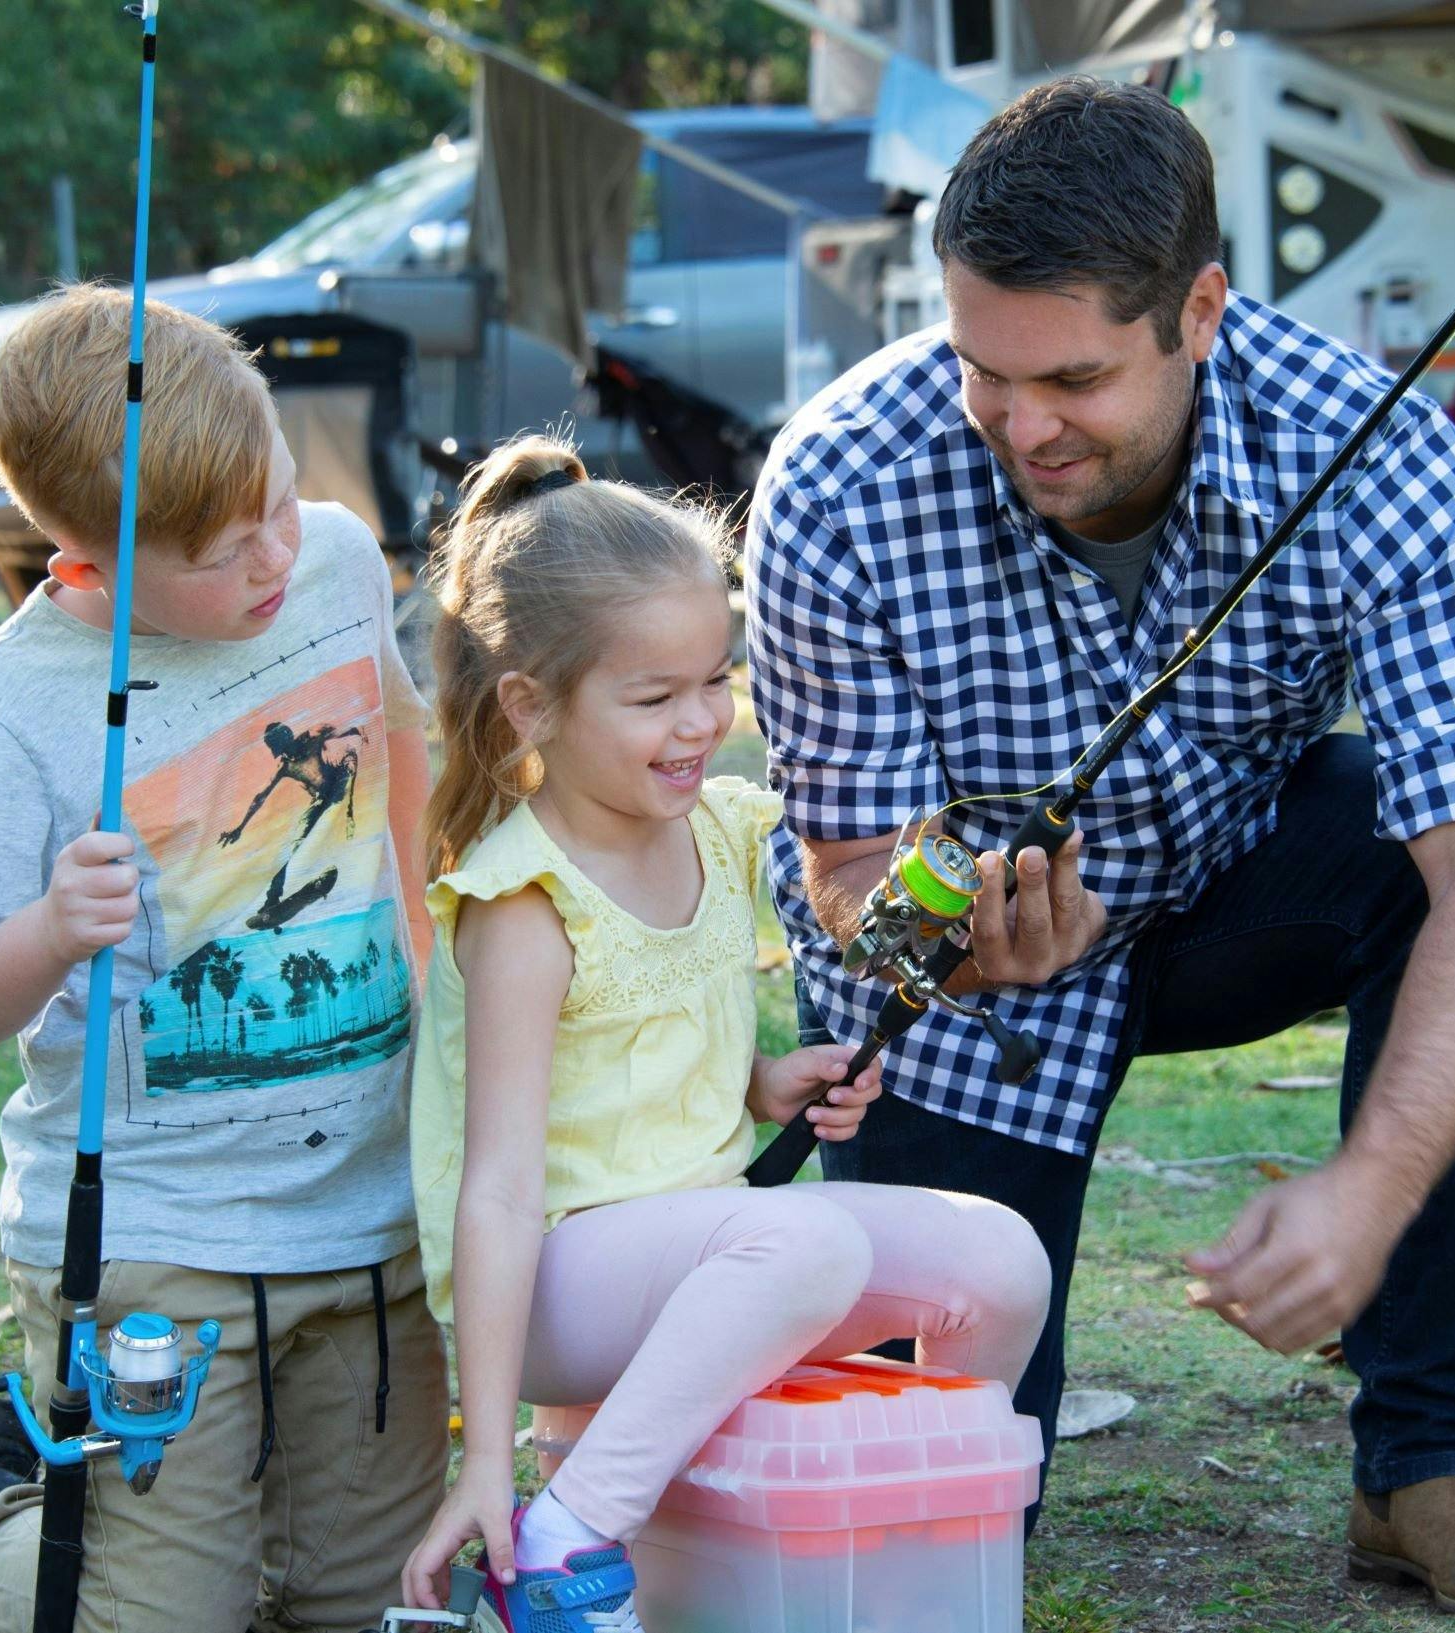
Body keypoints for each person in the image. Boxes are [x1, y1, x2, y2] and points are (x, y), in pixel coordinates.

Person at [747, 79, 1455, 1627]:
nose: (1020, 423)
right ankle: (940, 1438)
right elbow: (847, 862)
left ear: (1199, 307)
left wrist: (1370, 1186)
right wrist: (929, 930)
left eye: (1073, 376)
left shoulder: (1380, 454)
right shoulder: (836, 478)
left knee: (1428, 861)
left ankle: (1432, 1463)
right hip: (955, 1000)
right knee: (948, 1512)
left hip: (1225, 893)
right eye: (980, 369)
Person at [0, 285, 448, 1632]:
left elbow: (399, 742)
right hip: (156, 1252)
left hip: (373, 1208)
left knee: (375, 1609)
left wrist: (434, 942)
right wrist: (47, 933)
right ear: (83, 560)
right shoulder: (9, 712)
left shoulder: (333, 557)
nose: (275, 555)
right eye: (224, 551)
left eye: (281, 498)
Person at [397, 437, 1052, 1631]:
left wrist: (760, 1083)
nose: (702, 722)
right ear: (532, 703)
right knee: (799, 1248)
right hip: (554, 1280)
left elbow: (633, 1060)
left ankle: (903, 1533)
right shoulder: (526, 901)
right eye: (654, 698)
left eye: (717, 678)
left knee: (1000, 1260)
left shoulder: (715, 831)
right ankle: (557, 1536)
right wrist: (481, 1454)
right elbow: (494, 1189)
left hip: (700, 1251)